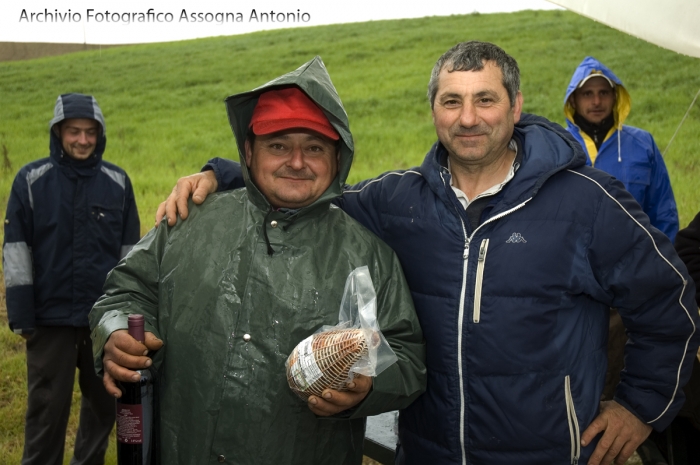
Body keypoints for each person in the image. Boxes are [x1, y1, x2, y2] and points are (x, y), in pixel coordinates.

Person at [155, 42, 698, 465]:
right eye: (451, 101)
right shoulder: (397, 200)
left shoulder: (588, 202)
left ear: (515, 105)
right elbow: (312, 188)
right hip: (428, 451)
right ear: (433, 110)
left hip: (550, 451)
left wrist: (639, 407)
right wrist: (224, 174)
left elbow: (668, 302)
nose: (468, 118)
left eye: (485, 99)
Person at [89, 57, 426, 464]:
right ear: (248, 152)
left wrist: (369, 386)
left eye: (314, 148)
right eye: (278, 145)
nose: (297, 162)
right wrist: (116, 331)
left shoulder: (369, 256)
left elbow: (407, 358)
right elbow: (126, 291)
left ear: (338, 159)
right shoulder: (188, 220)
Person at [2, 93, 141, 465]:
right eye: (73, 131)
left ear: (100, 135)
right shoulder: (31, 182)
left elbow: (130, 257)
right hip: (50, 322)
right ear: (58, 133)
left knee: (103, 407)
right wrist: (23, 319)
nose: (82, 140)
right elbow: (16, 252)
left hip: (103, 325)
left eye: (90, 132)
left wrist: (126, 319)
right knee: (46, 411)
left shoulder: (118, 183)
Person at [564, 56, 679, 241]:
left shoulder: (643, 144)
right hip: (574, 265)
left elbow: (664, 213)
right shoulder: (557, 147)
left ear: (615, 96)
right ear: (573, 100)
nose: (596, 101)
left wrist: (662, 263)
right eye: (587, 94)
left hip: (635, 263)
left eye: (603, 93)